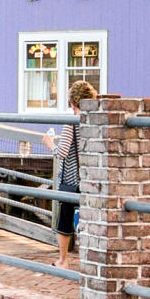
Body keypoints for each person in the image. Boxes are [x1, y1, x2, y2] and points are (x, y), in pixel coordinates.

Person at [54, 81, 92, 262]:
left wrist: (49, 143)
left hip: (71, 179)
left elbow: (61, 152)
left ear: (72, 101)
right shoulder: (94, 120)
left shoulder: (71, 122)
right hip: (91, 178)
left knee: (65, 219)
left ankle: (63, 260)